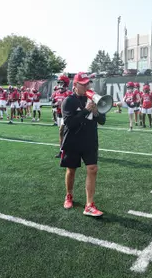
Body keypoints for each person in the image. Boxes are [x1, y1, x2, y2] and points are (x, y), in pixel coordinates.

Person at [61, 72, 106, 217]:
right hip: (73, 140)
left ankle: (89, 205)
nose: (87, 86)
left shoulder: (93, 98)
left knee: (92, 169)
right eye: (84, 83)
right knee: (71, 170)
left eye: (88, 83)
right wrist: (86, 110)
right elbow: (70, 123)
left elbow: (102, 121)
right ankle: (69, 195)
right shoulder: (68, 101)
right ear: (75, 85)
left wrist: (97, 112)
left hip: (90, 140)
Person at [54, 75, 72, 158]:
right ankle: (62, 150)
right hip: (59, 114)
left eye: (61, 82)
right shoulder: (56, 93)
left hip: (66, 115)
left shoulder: (69, 93)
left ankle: (66, 150)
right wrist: (55, 104)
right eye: (59, 82)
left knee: (62, 131)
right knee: (61, 133)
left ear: (65, 83)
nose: (59, 84)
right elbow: (52, 104)